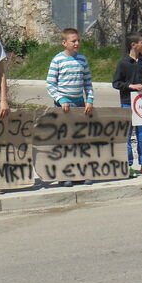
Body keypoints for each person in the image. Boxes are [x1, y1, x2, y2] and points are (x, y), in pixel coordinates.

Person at [46, 28, 94, 187]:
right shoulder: (57, 60)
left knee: (80, 140)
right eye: (73, 41)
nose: (77, 43)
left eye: (78, 40)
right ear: (64, 42)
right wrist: (61, 99)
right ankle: (65, 174)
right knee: (64, 141)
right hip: (63, 106)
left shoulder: (82, 60)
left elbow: (88, 83)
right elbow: (50, 84)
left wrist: (89, 100)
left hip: (80, 104)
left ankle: (80, 173)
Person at [111, 34, 142, 177]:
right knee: (127, 135)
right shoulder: (123, 63)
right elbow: (116, 83)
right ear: (133, 45)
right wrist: (130, 86)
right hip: (127, 102)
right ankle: (128, 165)